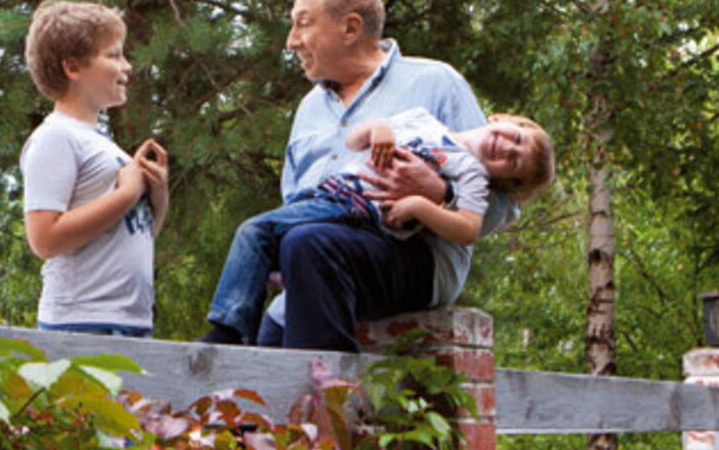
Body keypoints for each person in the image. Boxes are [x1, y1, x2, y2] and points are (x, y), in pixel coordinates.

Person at [229, 0, 534, 352]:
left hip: (414, 258)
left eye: (303, 24)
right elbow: (294, 203)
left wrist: (440, 192)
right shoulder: (308, 110)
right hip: (315, 263)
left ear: (350, 28)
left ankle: (329, 388)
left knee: (309, 245)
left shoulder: (437, 82)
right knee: (264, 355)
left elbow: (503, 206)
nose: (291, 41)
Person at [201, 106, 553, 347]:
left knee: (291, 240)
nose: (506, 148)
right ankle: (242, 342)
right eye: (516, 139)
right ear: (502, 118)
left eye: (513, 161)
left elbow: (473, 224)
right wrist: (379, 128)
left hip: (371, 220)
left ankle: (240, 340)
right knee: (278, 242)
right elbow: (354, 138)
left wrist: (428, 199)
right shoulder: (420, 120)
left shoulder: (471, 172)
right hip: (327, 195)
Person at [21, 0, 168, 337]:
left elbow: (131, 235)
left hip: (131, 321)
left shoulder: (101, 142)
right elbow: (44, 239)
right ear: (72, 67)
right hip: (83, 322)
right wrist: (127, 194)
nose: (127, 66)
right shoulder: (56, 136)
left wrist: (156, 197)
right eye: (113, 55)